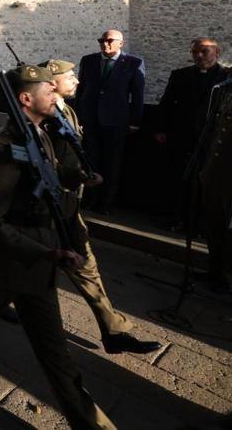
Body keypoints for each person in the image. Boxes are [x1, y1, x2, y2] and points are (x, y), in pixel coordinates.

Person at [0, 64, 116, 430]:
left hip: (38, 265)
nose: (55, 94)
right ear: (25, 98)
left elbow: (47, 174)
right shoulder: (2, 150)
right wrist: (44, 252)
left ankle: (90, 422)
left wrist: (78, 175)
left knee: (57, 356)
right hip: (6, 268)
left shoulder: (40, 135)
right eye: (49, 90)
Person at [40, 59, 161, 354]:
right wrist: (76, 175)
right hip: (45, 210)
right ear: (53, 82)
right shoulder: (40, 117)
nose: (77, 81)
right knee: (8, 279)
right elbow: (43, 164)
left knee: (85, 266)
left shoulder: (65, 110)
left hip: (67, 203)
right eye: (70, 77)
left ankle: (114, 331)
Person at [155, 38, 229, 228]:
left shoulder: (227, 78)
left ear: (217, 52)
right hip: (182, 136)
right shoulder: (180, 75)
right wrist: (161, 129)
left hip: (211, 139)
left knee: (206, 182)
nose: (199, 55)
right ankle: (177, 218)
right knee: (179, 178)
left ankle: (199, 223)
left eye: (204, 51)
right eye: (195, 52)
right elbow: (166, 104)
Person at [75, 29, 145, 214]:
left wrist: (135, 121)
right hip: (90, 121)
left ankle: (105, 204)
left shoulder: (133, 63)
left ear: (120, 43)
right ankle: (90, 199)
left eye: (110, 40)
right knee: (90, 161)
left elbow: (138, 95)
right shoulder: (88, 61)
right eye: (102, 40)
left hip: (116, 122)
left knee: (112, 163)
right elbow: (81, 90)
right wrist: (78, 116)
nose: (105, 44)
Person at [198, 51, 232, 294]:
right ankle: (215, 273)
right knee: (214, 227)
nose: (231, 71)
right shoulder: (231, 96)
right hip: (217, 177)